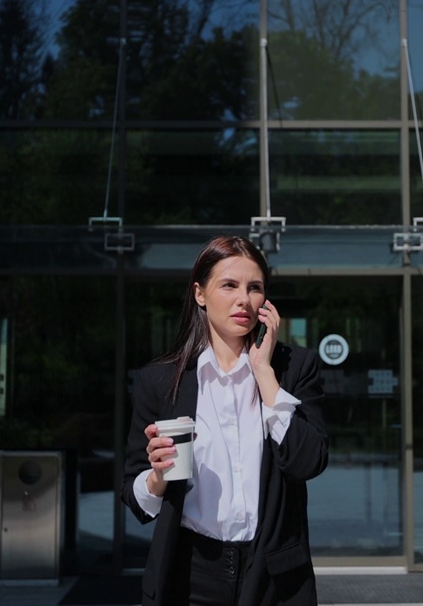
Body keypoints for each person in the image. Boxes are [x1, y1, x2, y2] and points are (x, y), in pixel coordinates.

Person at [122, 235, 328, 606]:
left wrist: (265, 375)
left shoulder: (295, 368)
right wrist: (157, 477)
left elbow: (308, 461)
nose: (243, 300)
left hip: (275, 576)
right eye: (229, 285)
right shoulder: (160, 381)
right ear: (200, 294)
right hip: (190, 573)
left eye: (255, 288)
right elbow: (136, 499)